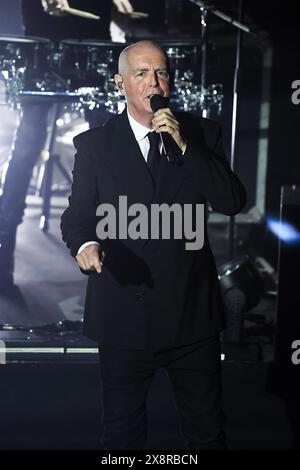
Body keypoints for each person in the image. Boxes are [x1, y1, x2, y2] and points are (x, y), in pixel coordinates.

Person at [61, 40, 247, 450]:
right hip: (124, 312)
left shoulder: (201, 133)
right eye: (141, 74)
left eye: (161, 73)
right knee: (123, 435)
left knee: (206, 433)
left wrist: (186, 147)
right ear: (120, 83)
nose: (153, 83)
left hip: (191, 317)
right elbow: (77, 216)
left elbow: (232, 202)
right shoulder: (95, 145)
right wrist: (85, 244)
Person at [0, 0, 134, 289]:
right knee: (27, 144)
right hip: (44, 46)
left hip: (92, 46)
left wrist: (121, 14)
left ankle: (117, 250)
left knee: (108, 147)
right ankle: (3, 256)